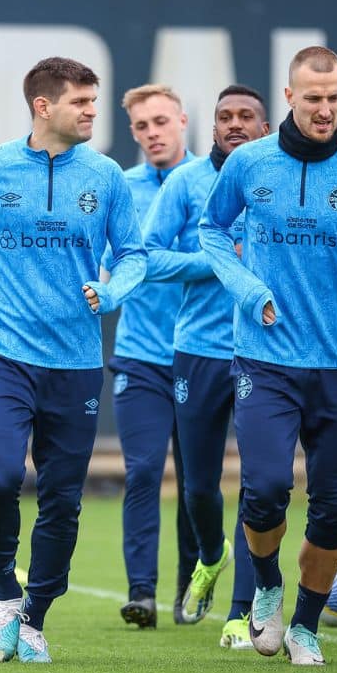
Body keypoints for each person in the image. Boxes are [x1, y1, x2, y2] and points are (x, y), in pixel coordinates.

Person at [198, 45, 337, 665]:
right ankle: (267, 586)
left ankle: (305, 627)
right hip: (266, 359)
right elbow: (212, 231)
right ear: (290, 97)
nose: (325, 110)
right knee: (265, 489)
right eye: (313, 98)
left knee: (332, 508)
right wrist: (246, 287)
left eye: (335, 98)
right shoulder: (248, 163)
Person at [0, 56, 145, 663]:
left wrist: (113, 291)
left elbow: (133, 256)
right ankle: (4, 595)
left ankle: (36, 617)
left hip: (75, 361)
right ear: (43, 106)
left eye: (95, 102)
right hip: (3, 353)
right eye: (81, 102)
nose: (93, 112)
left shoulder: (106, 177)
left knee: (63, 498)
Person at [142, 84, 271, 649]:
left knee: (259, 487)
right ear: (211, 126)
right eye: (225, 116)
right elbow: (145, 255)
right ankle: (210, 555)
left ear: (266, 127)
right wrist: (213, 263)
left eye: (246, 116)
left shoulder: (281, 181)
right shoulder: (186, 181)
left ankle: (241, 611)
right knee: (198, 486)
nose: (235, 123)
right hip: (197, 350)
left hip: (266, 353)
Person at [110, 84, 199, 629]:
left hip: (199, 356)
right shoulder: (120, 188)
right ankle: (141, 591)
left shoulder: (212, 183)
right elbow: (108, 261)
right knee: (142, 471)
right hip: (139, 357)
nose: (152, 133)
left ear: (182, 121)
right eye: (142, 126)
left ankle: (191, 586)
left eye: (161, 121)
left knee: (196, 482)